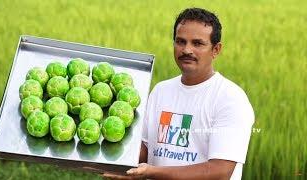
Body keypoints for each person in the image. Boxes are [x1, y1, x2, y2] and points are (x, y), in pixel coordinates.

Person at [104, 7, 254, 180]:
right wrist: (112, 162)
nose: (186, 50)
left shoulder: (230, 98)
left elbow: (220, 171)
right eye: (180, 41)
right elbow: (145, 148)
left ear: (216, 50)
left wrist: (152, 172)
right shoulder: (161, 90)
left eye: (197, 43)